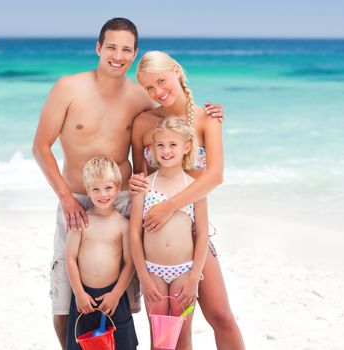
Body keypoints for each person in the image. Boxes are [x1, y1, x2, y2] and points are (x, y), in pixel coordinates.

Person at [32, 18, 223, 349]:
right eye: (111, 47)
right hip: (76, 201)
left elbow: (173, 126)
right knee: (65, 298)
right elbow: (40, 147)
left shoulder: (141, 98)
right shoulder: (68, 88)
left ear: (134, 55)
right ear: (98, 47)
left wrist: (211, 115)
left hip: (123, 200)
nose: (117, 56)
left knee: (126, 300)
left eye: (125, 50)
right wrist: (66, 197)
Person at [130, 51, 245, 349]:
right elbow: (140, 177)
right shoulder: (143, 123)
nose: (157, 92)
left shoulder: (208, 118)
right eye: (149, 88)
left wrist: (169, 207)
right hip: (155, 242)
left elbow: (215, 176)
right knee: (174, 332)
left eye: (161, 81)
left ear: (177, 72)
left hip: (194, 233)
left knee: (221, 316)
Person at [129, 117, 209, 349]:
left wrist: (194, 277)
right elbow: (135, 234)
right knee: (159, 338)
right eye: (160, 145)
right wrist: (143, 277)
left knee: (183, 336)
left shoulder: (194, 186)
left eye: (173, 145)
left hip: (184, 271)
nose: (166, 151)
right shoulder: (144, 186)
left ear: (186, 147)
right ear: (152, 149)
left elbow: (202, 234)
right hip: (152, 271)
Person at [65, 156, 137, 350]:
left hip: (113, 296)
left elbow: (130, 263)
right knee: (82, 343)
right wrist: (79, 293)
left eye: (108, 188)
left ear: (118, 187)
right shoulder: (82, 221)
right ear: (88, 190)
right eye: (95, 189)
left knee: (122, 343)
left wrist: (116, 293)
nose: (102, 194)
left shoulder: (123, 224)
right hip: (83, 297)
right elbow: (70, 258)